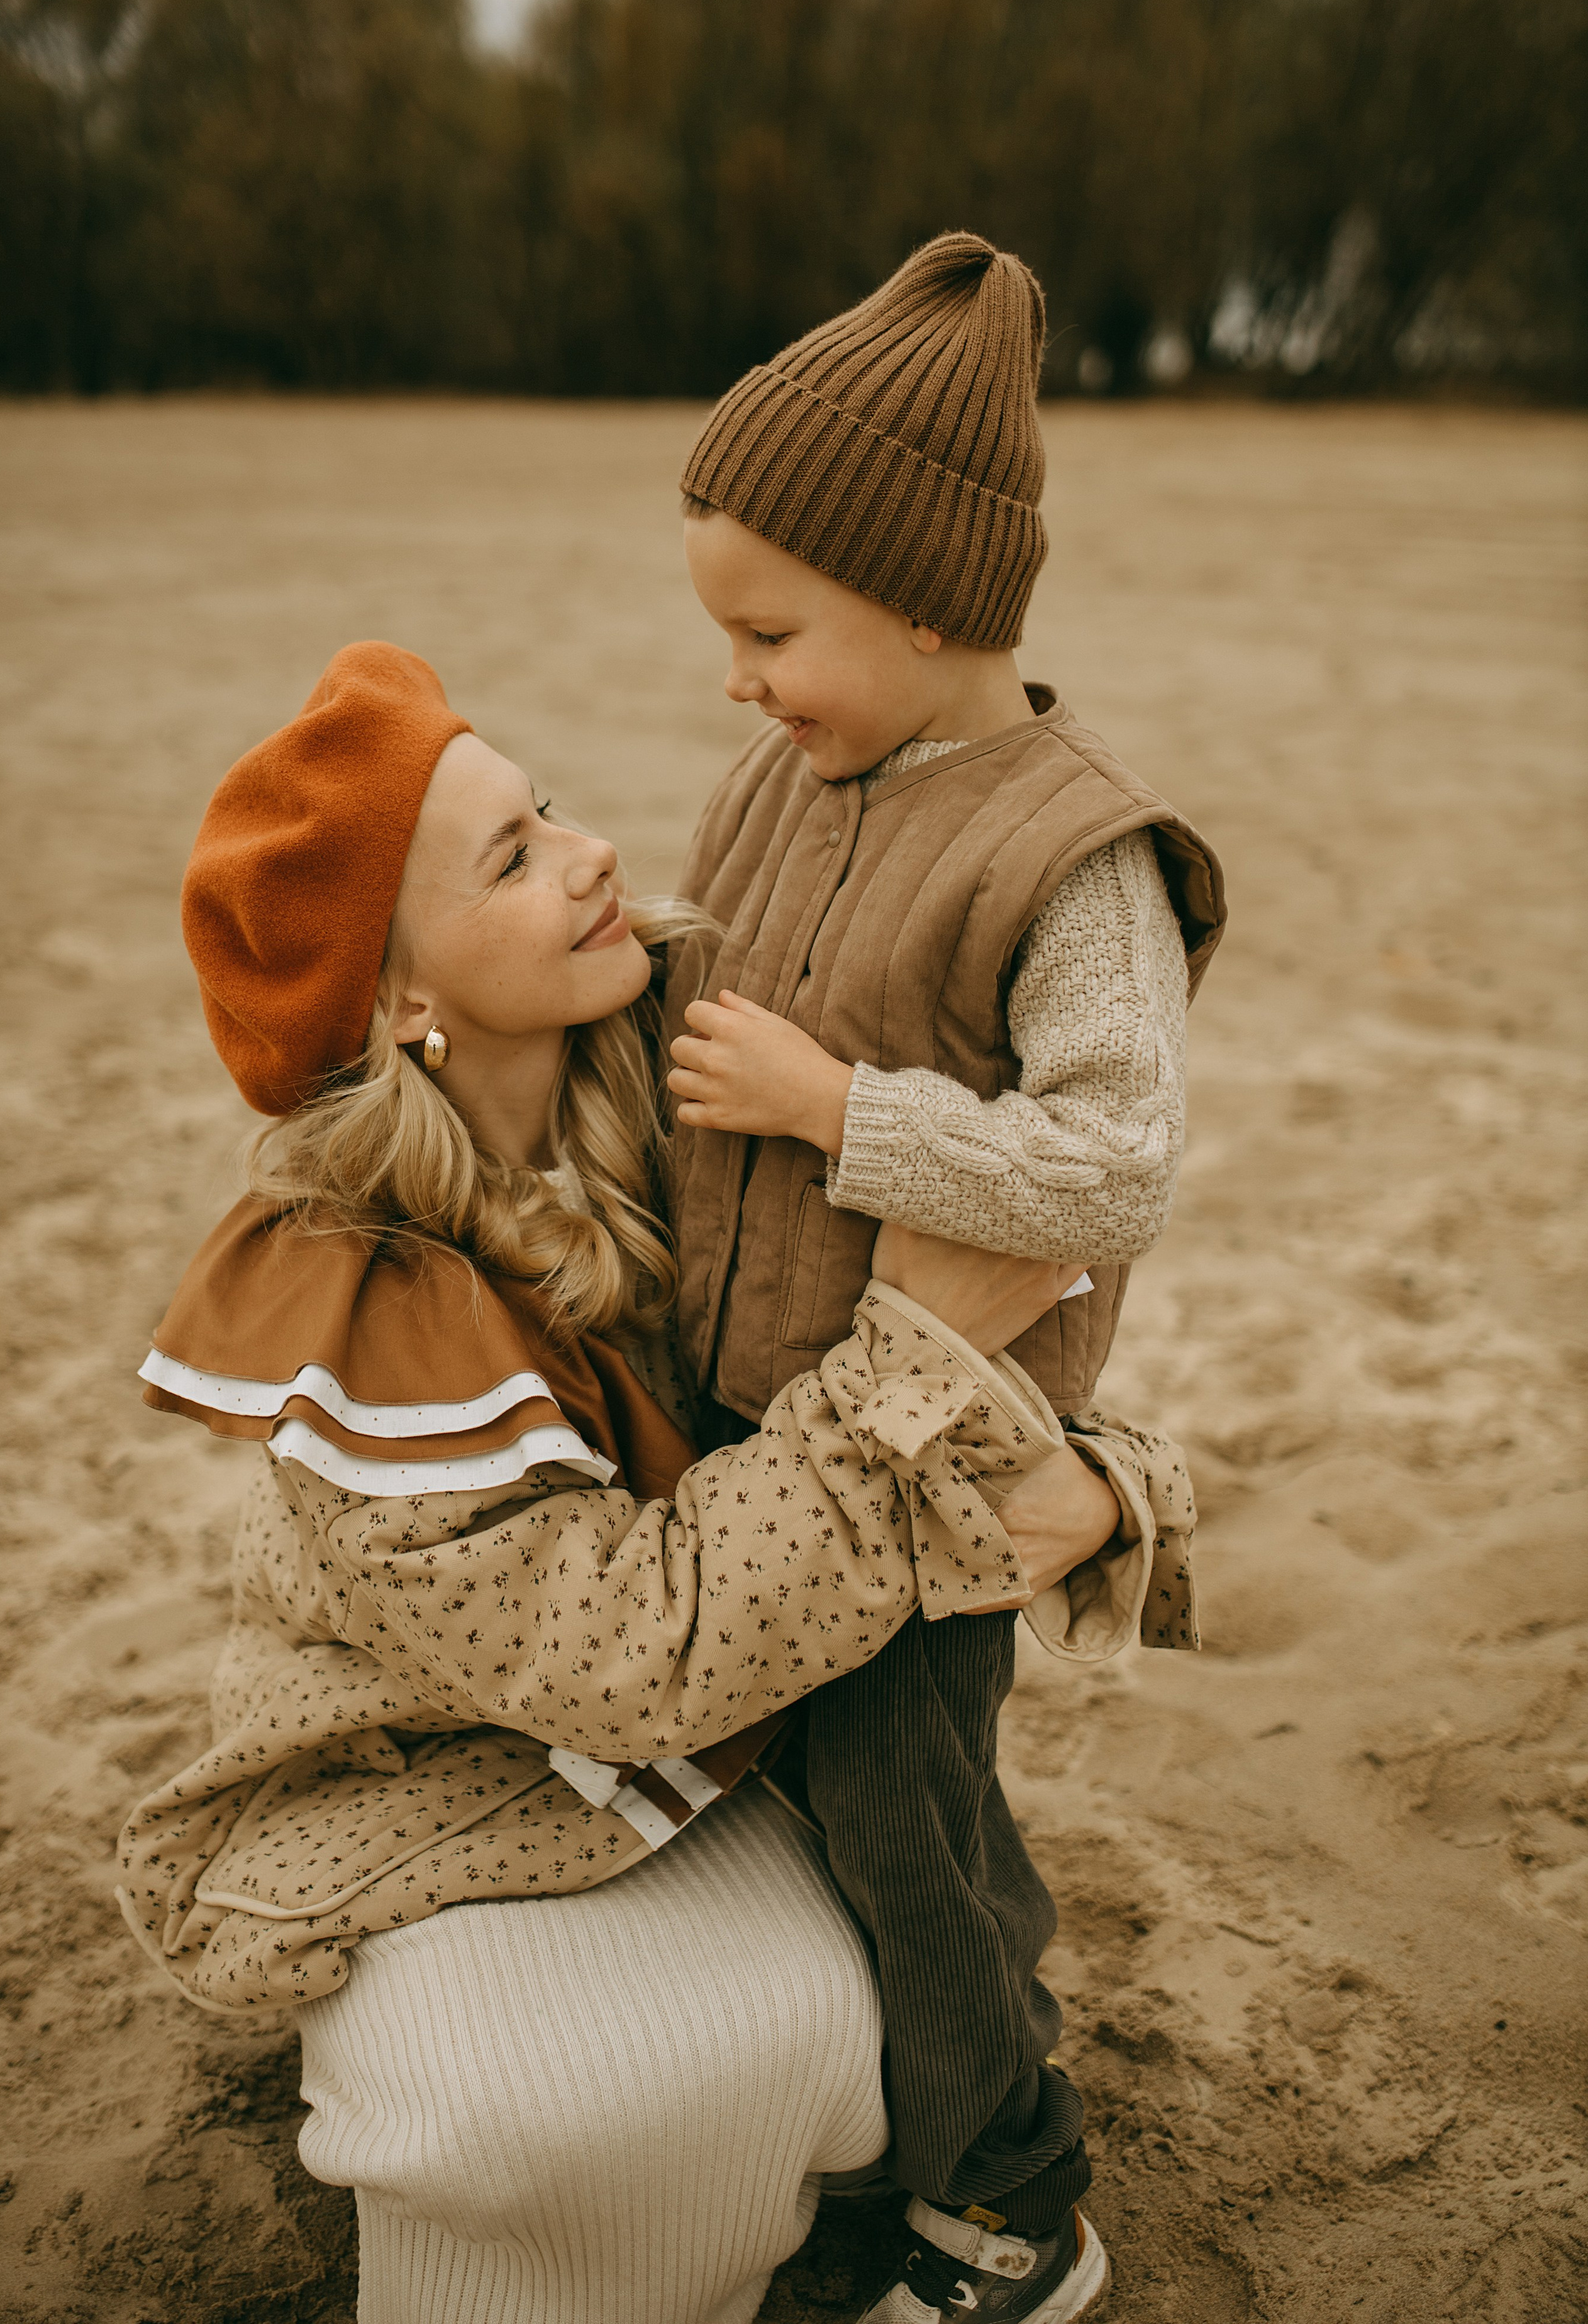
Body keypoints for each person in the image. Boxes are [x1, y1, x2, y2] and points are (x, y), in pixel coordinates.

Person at [116, 639, 1189, 2324]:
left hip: (730, 1741)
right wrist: (913, 1355)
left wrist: (1112, 1487)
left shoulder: (697, 1059)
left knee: (846, 2032)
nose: (589, 848)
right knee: (571, 2111)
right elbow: (632, 1657)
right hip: (459, 1773)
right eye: (514, 856)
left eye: (545, 805)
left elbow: (1019, 1252)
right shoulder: (368, 1292)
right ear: (402, 1006)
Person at [662, 231, 1225, 2323]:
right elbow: (701, 1016)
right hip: (758, 1415)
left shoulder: (1078, 856)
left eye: (769, 630)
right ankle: (852, 2127)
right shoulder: (787, 773)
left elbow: (1114, 1166)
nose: (737, 677)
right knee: (809, 1808)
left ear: (925, 601)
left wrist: (840, 1115)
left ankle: (1012, 2200)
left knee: (910, 1822)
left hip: (928, 1456)